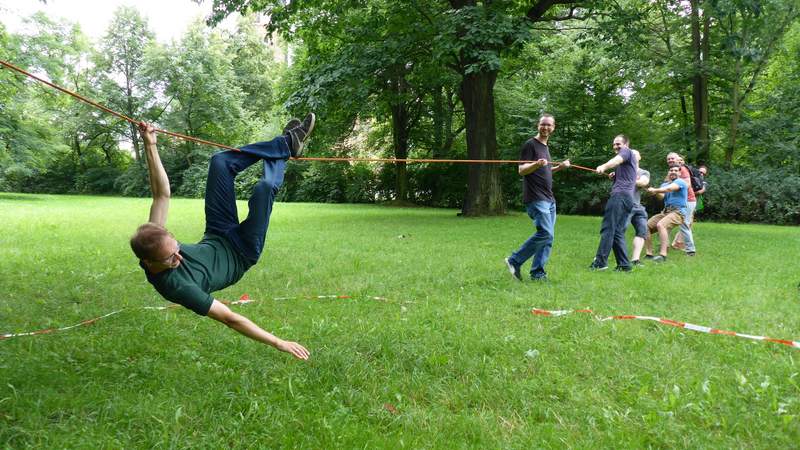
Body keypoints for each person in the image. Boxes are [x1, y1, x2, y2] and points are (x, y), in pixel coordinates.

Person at [130, 115, 315, 360]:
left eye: (176, 248)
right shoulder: (177, 288)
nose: (179, 256)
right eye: (170, 258)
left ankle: (286, 144)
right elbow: (230, 318)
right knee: (264, 188)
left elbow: (161, 195)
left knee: (220, 162)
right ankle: (287, 145)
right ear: (148, 262)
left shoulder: (152, 236)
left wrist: (150, 144)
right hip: (243, 252)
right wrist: (278, 342)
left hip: (217, 232)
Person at [504, 114, 571, 282]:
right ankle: (514, 260)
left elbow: (545, 171)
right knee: (546, 233)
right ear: (538, 125)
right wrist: (535, 163)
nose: (545, 127)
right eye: (543, 124)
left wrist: (559, 167)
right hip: (536, 197)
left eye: (549, 125)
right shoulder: (530, 145)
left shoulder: (545, 147)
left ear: (553, 128)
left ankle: (538, 273)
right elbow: (522, 170)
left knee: (548, 237)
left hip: (549, 199)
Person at [589, 134, 639, 272]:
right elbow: (627, 175)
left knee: (608, 228)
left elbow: (617, 160)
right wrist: (615, 176)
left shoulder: (627, 152)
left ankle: (600, 263)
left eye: (618, 144)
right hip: (627, 198)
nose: (616, 146)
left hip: (620, 196)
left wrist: (604, 166)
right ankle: (624, 265)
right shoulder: (629, 161)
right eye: (614, 144)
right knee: (617, 232)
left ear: (626, 145)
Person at [644, 165, 689, 262]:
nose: (673, 172)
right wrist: (653, 191)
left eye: (676, 170)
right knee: (645, 227)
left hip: (678, 212)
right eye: (671, 170)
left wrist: (655, 190)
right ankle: (649, 254)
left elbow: (670, 189)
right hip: (666, 212)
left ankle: (663, 255)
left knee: (661, 225)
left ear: (679, 173)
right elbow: (662, 197)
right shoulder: (664, 185)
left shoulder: (680, 182)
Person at [666, 153, 697, 256]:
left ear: (677, 159)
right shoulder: (671, 170)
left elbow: (687, 184)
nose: (670, 160)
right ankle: (665, 246)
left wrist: (674, 187)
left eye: (672, 158)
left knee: (684, 224)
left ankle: (690, 250)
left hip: (687, 200)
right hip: (675, 201)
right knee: (665, 223)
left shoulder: (682, 169)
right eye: (668, 158)